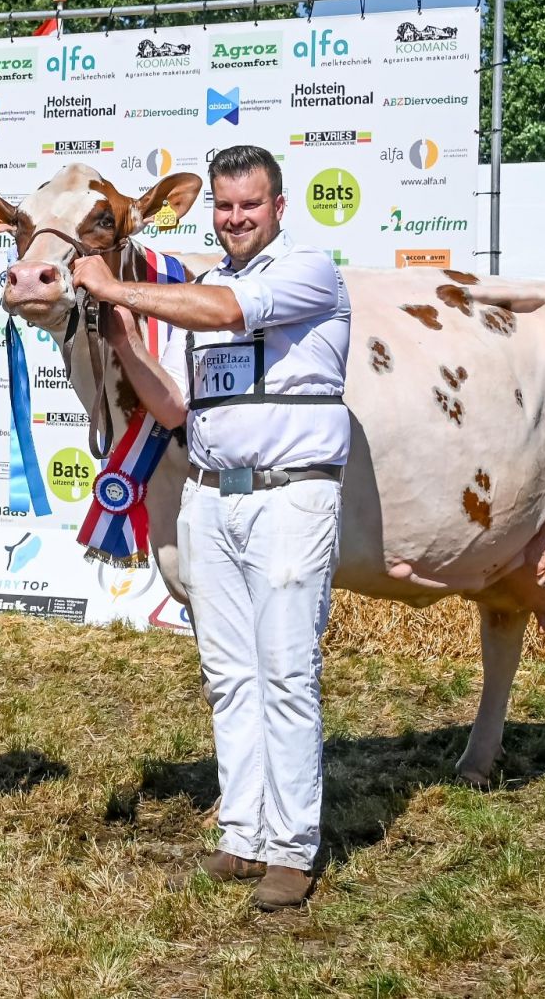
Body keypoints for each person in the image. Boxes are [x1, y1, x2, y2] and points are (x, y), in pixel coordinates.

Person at [73, 144, 349, 910]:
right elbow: (177, 409)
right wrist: (121, 335)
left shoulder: (308, 271)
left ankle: (291, 848)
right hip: (211, 494)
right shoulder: (206, 289)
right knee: (229, 675)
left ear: (279, 207)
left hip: (289, 497)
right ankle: (243, 834)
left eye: (249, 204)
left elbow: (228, 312)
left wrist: (109, 282)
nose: (235, 218)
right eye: (224, 206)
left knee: (286, 671)